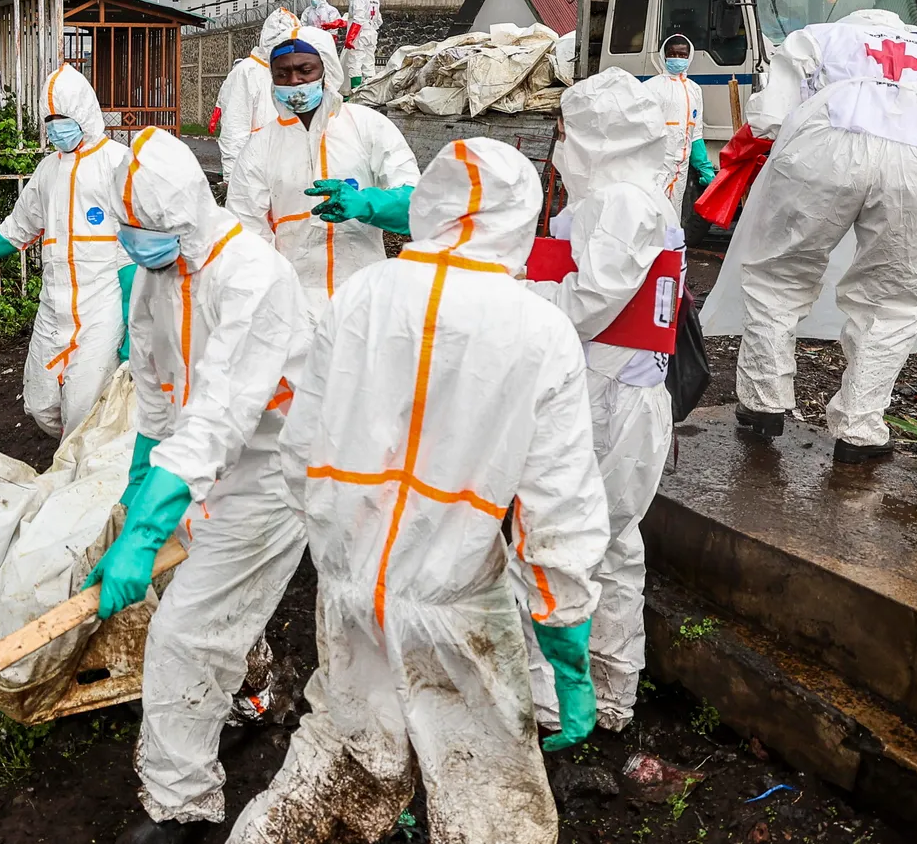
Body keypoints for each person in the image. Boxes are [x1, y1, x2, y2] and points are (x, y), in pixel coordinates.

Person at [226, 137, 611, 844]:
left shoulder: (360, 297)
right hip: (456, 603)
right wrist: (567, 638)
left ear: (429, 206)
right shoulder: (539, 330)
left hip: (349, 585)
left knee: (336, 761)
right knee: (490, 796)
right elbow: (558, 506)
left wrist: (340, 548)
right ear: (523, 216)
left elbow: (299, 448)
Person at [86, 127, 312, 843]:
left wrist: (150, 527)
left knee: (183, 633)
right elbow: (155, 397)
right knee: (205, 613)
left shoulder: (253, 277)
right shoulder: (158, 275)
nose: (132, 246)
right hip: (193, 470)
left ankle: (179, 806)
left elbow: (218, 417)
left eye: (141, 232)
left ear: (180, 217)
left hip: (269, 477)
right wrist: (135, 499)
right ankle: (248, 690)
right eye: (125, 233)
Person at [732, 7, 917, 463]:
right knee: (891, 300)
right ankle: (861, 428)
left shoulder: (818, 35)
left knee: (779, 275)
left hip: (827, 141)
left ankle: (762, 403)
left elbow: (768, 116)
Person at [524, 68, 681, 734]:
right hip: (618, 390)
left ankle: (551, 701)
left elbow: (588, 301)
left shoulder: (623, 201)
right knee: (615, 548)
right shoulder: (630, 196)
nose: (560, 142)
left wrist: (511, 298)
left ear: (594, 134)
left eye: (567, 129)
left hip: (609, 397)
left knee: (563, 544)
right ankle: (613, 692)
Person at [0, 64, 132, 438]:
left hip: (103, 306)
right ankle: (75, 459)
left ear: (82, 112)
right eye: (50, 120)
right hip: (54, 306)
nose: (55, 128)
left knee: (84, 407)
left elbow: (134, 252)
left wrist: (135, 321)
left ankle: (83, 479)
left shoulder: (118, 162)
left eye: (62, 118)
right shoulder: (48, 170)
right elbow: (16, 229)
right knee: (40, 404)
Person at [227, 27, 419, 306]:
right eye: (282, 74)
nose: (294, 82)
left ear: (326, 69)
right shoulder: (260, 147)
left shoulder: (367, 126)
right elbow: (246, 232)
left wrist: (367, 203)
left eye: (305, 69)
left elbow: (415, 205)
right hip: (294, 302)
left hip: (363, 297)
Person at [210, 8, 301, 178]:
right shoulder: (248, 71)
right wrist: (232, 178)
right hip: (255, 170)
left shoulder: (293, 73)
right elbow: (234, 130)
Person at [649, 33, 714, 215]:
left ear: (689, 57)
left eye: (682, 55)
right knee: (653, 213)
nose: (677, 59)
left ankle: (670, 243)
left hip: (681, 166)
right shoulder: (652, 88)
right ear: (664, 55)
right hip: (657, 164)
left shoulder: (694, 90)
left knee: (673, 213)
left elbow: (696, 133)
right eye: (673, 54)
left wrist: (704, 166)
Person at [340, 0, 383, 91]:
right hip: (372, 33)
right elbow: (379, 20)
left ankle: (355, 92)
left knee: (355, 62)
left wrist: (350, 38)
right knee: (369, 63)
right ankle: (370, 92)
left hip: (359, 33)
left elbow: (358, 19)